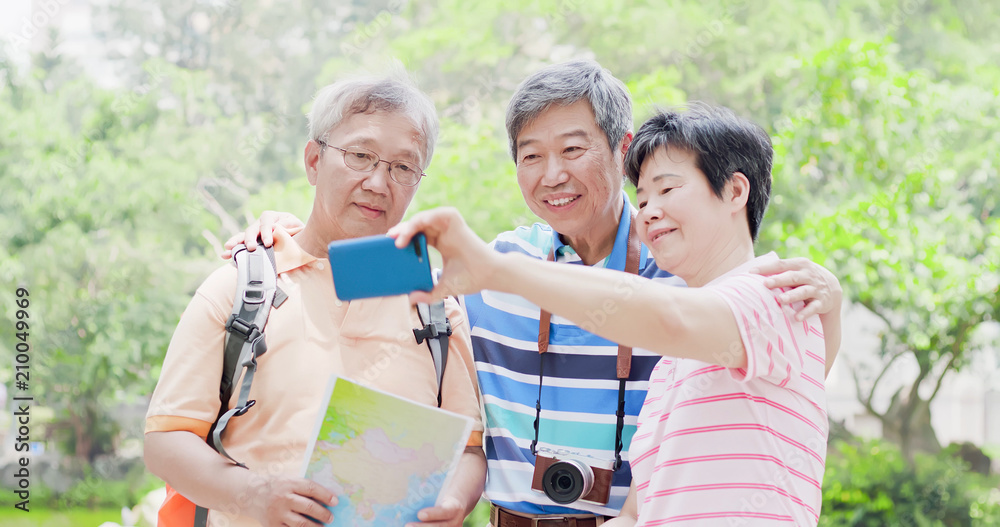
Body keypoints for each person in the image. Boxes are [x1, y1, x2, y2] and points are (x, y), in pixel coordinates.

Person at [231, 60, 841, 525]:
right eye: (531, 155)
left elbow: (728, 347)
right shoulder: (499, 262)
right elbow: (356, 275)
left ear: (619, 148)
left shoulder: (686, 275)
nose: (552, 175)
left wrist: (829, 301)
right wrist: (283, 236)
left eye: (573, 149)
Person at [389, 102, 833, 526]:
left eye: (668, 188)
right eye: (643, 197)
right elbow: (637, 517)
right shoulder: (672, 369)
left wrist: (498, 271)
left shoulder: (778, 295)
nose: (650, 211)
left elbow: (670, 319)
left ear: (735, 191)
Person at [143, 71, 486, 527]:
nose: (379, 183)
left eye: (403, 167)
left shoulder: (436, 306)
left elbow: (469, 449)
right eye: (360, 156)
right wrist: (253, 495)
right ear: (312, 160)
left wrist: (454, 503)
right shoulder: (243, 290)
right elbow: (165, 441)